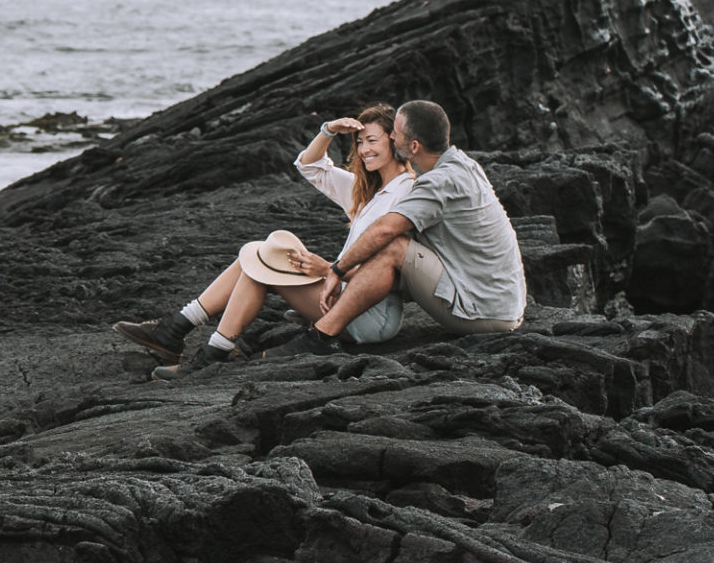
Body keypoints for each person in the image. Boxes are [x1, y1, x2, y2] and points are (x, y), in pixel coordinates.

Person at [112, 103, 415, 380]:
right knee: (258, 253)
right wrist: (328, 130)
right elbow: (310, 165)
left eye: (372, 141)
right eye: (360, 142)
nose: (363, 150)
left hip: (370, 316)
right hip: (344, 296)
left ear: (395, 140)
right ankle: (187, 334)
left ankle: (197, 345)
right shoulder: (367, 191)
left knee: (260, 262)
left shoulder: (406, 193)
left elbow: (391, 271)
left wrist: (328, 270)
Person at [262, 98, 525, 357]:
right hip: (499, 302)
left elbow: (385, 230)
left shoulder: (437, 182)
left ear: (413, 146)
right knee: (396, 248)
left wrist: (335, 270)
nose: (392, 137)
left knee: (393, 246)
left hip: (484, 313)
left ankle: (321, 335)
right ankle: (327, 317)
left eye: (395, 134)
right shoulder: (463, 164)